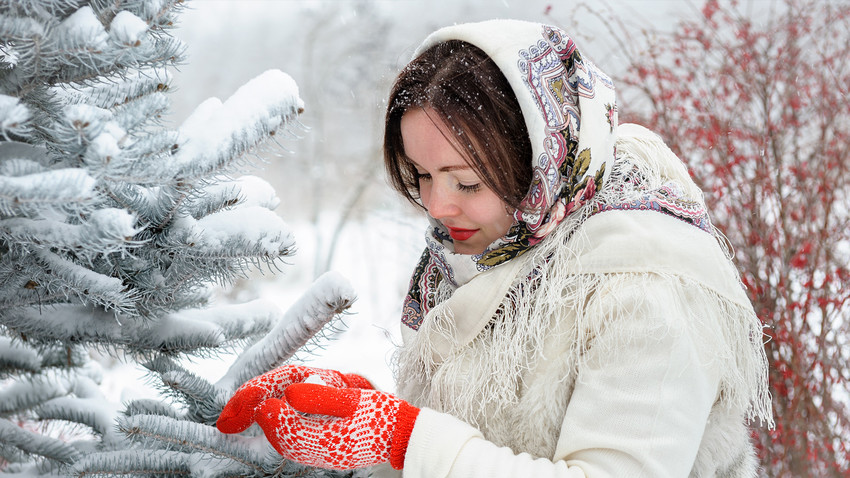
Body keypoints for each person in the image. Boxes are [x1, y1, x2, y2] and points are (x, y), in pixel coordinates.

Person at [216, 19, 773, 477]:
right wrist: (354, 427)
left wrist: (402, 437)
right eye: (421, 174)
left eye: (466, 182)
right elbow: (479, 443)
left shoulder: (648, 288)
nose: (436, 206)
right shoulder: (505, 246)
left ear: (541, 160)